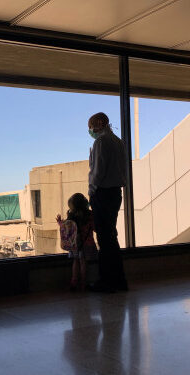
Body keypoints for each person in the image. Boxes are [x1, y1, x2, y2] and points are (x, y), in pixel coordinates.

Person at [87, 112, 128, 293]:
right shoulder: (119, 142)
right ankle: (118, 279)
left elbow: (97, 171)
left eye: (91, 126)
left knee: (104, 239)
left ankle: (107, 281)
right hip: (115, 193)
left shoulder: (101, 142)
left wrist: (92, 190)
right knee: (111, 236)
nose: (91, 131)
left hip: (102, 193)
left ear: (100, 123)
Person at [56, 193, 96, 291]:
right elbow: (95, 228)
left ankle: (74, 282)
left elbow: (66, 228)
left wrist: (60, 222)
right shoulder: (89, 215)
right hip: (87, 243)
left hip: (74, 245)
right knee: (83, 263)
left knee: (75, 262)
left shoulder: (71, 216)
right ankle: (83, 283)